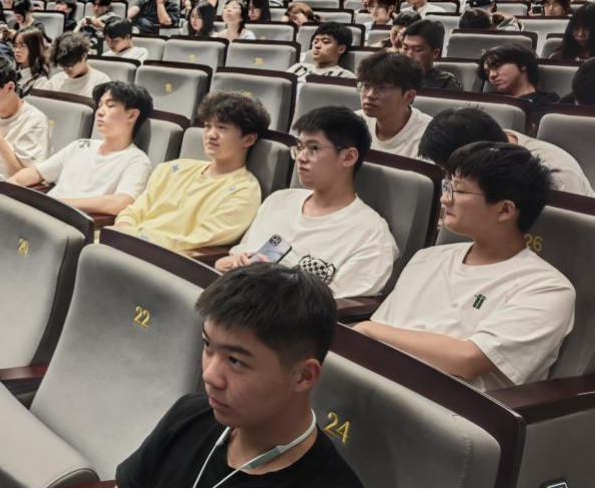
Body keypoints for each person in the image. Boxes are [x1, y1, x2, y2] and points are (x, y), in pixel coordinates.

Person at [117, 262, 362, 488]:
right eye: (207, 345)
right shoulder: (188, 415)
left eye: (235, 360)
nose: (210, 376)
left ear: (303, 376)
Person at [356, 142, 575, 392]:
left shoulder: (547, 288)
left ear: (505, 210)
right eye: (447, 186)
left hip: (446, 405)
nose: (444, 198)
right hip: (377, 384)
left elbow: (468, 360)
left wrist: (369, 330)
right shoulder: (427, 258)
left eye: (458, 191)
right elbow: (382, 330)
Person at [216, 107, 398, 298]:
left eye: (313, 148)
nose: (301, 158)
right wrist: (238, 263)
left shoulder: (371, 233)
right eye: (300, 147)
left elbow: (330, 307)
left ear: (348, 157)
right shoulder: (278, 201)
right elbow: (228, 261)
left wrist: (268, 280)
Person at [114, 92, 267, 255]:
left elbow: (194, 242)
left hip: (160, 259)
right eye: (207, 126)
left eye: (222, 127)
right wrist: (122, 229)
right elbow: (134, 211)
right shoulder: (174, 169)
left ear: (248, 140)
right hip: (122, 245)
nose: (211, 135)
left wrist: (132, 237)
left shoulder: (244, 190)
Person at [9, 81, 154, 216]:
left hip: (72, 223)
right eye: (100, 105)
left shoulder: (137, 160)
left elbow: (121, 203)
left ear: (132, 115)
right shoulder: (80, 146)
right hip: (43, 214)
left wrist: (58, 204)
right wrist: (11, 185)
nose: (100, 112)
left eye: (110, 106)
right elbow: (37, 172)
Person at [419, 107, 594, 197]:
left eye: (452, 171)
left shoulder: (554, 173)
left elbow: (566, 233)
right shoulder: (489, 142)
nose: (450, 179)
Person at [355, 51, 431, 158]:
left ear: (409, 96)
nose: (370, 95)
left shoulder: (427, 136)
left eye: (382, 88)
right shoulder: (354, 122)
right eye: (366, 86)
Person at [479, 44, 561, 115]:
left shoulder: (548, 102)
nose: (491, 75)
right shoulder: (486, 100)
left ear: (522, 64)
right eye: (487, 72)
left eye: (497, 66)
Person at [399, 19, 462, 90]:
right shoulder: (393, 76)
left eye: (417, 50)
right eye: (405, 48)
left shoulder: (446, 83)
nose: (408, 54)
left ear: (435, 53)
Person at [286, 22, 355, 83]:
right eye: (315, 42)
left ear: (341, 49)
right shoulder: (297, 68)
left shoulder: (345, 77)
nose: (317, 46)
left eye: (325, 42)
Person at [48, 32, 111, 97]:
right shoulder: (55, 81)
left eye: (72, 64)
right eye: (63, 65)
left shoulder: (101, 82)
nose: (67, 69)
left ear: (84, 56)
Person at [13, 27, 53, 96]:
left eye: (22, 46)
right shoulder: (13, 73)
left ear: (34, 48)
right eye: (15, 46)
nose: (17, 50)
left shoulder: (40, 81)